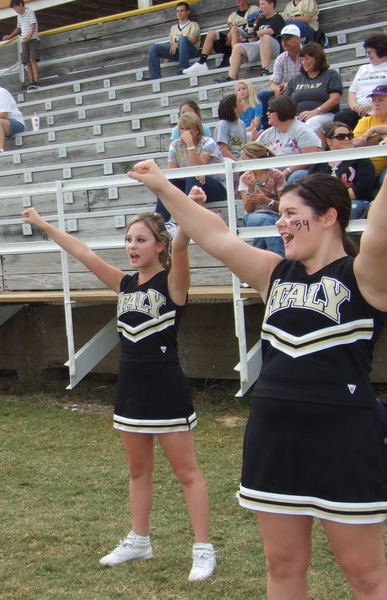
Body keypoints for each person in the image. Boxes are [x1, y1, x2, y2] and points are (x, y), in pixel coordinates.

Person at [128, 159, 387, 600]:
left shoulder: (365, 276)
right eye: (280, 213)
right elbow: (215, 234)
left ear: (328, 218)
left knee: (362, 572)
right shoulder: (274, 274)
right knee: (281, 564)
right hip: (274, 436)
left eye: (291, 214)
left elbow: (380, 228)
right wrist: (163, 186)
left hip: (344, 438)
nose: (280, 223)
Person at [20, 205, 215, 581]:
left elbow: (184, 250)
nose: (132, 246)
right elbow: (84, 253)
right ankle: (139, 539)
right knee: (138, 471)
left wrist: (189, 216)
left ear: (159, 246)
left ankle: (203, 547)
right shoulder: (124, 284)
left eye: (140, 240)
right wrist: (45, 225)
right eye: (128, 239)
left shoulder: (172, 282)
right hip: (131, 389)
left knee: (187, 473)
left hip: (166, 388)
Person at [156, 112, 226, 221]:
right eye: (182, 129)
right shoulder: (175, 145)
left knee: (193, 178)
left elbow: (198, 167)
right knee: (168, 183)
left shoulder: (208, 143)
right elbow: (173, 172)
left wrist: (190, 144)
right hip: (189, 183)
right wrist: (192, 174)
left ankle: (189, 221)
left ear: (197, 130)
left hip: (214, 186)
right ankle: (159, 225)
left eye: (188, 128)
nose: (184, 132)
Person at [310, 122, 376, 218]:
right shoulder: (319, 162)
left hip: (353, 201)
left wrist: (331, 199)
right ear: (329, 141)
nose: (346, 139)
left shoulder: (361, 159)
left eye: (350, 136)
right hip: (322, 203)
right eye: (341, 137)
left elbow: (362, 189)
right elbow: (309, 187)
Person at [215, 0, 284, 83]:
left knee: (265, 37)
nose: (260, 7)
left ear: (271, 5)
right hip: (260, 46)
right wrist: (251, 24)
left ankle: (265, 69)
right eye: (259, 4)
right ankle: (231, 77)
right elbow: (252, 40)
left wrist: (255, 33)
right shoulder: (261, 20)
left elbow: (270, 31)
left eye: (263, 4)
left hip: (274, 46)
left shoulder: (278, 18)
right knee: (237, 47)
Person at [257, 95, 321, 183]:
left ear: (282, 110)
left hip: (293, 174)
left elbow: (311, 158)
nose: (267, 113)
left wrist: (287, 171)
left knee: (298, 175)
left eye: (271, 111)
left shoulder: (302, 131)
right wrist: (251, 141)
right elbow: (252, 155)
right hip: (270, 175)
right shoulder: (266, 134)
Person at [286, 42, 342, 141]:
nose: (303, 62)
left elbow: (335, 98)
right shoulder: (295, 80)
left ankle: (319, 153)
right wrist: (292, 116)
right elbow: (286, 102)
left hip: (325, 114)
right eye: (302, 59)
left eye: (307, 59)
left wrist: (315, 112)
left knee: (312, 123)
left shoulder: (331, 75)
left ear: (317, 58)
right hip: (298, 117)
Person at [237, 141, 286, 255]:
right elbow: (249, 210)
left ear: (254, 158)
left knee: (266, 226)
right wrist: (250, 189)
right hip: (252, 217)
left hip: (274, 215)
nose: (241, 161)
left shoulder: (276, 175)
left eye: (244, 158)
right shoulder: (245, 178)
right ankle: (282, 261)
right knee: (267, 221)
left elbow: (283, 207)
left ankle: (256, 260)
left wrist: (267, 201)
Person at [184, 0, 258, 74]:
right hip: (234, 42)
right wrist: (231, 35)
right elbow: (232, 29)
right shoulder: (233, 16)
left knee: (234, 30)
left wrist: (242, 35)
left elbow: (257, 25)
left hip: (249, 40)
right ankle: (201, 62)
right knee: (211, 33)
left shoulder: (254, 9)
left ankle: (235, 58)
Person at [336, 34, 387, 130]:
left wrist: (370, 106)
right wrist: (354, 106)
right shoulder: (363, 68)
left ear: (380, 51)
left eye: (369, 52)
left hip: (379, 109)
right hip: (358, 110)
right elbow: (352, 92)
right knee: (341, 118)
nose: (367, 55)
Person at [257, 24, 303, 129]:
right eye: (282, 39)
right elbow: (273, 84)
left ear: (297, 39)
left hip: (302, 90)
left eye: (287, 39)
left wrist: (289, 85)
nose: (284, 42)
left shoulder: (308, 54)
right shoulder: (281, 58)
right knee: (263, 95)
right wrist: (277, 90)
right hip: (286, 92)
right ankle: (267, 128)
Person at [145, 2, 200, 80]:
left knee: (182, 39)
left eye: (182, 10)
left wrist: (178, 44)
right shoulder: (173, 28)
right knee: (153, 48)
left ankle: (183, 68)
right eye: (177, 11)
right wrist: (168, 57)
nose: (179, 13)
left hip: (191, 52)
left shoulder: (193, 24)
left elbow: (194, 40)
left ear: (188, 12)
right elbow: (172, 46)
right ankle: (155, 76)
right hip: (177, 54)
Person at [352, 84, 387, 183]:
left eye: (381, 100)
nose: (376, 104)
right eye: (373, 100)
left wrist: (374, 129)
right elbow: (354, 143)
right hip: (362, 169)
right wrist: (379, 136)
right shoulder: (366, 120)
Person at [3, 0, 42, 90]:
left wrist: (29, 36)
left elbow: (33, 25)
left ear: (20, 4)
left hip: (33, 39)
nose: (16, 10)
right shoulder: (19, 16)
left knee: (33, 59)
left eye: (16, 8)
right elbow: (18, 28)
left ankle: (37, 81)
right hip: (24, 40)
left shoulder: (30, 12)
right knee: (26, 61)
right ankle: (32, 81)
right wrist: (10, 36)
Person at [216, 93, 248, 161]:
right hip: (229, 162)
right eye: (240, 101)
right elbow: (222, 149)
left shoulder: (241, 123)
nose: (243, 102)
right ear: (234, 109)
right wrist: (237, 162)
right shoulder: (223, 124)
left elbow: (244, 147)